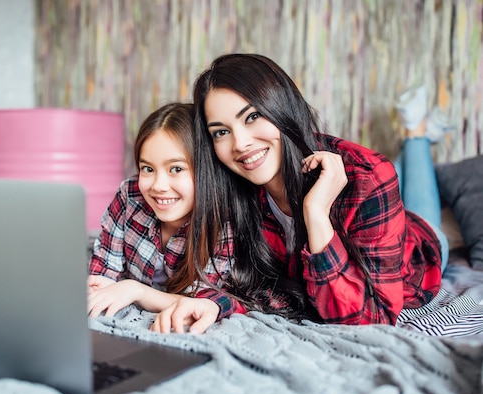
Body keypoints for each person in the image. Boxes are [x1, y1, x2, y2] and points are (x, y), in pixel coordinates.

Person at [156, 53, 445, 333]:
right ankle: (417, 134)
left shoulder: (368, 176)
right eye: (221, 132)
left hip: (416, 249)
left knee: (426, 214)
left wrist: (316, 214)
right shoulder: (234, 185)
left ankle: (416, 133)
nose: (241, 143)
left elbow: (374, 318)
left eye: (253, 116)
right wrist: (215, 304)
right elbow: (255, 287)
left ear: (281, 107)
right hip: (374, 217)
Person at [87, 102, 235, 334]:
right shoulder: (130, 194)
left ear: (205, 170)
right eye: (148, 169)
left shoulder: (224, 220)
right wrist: (99, 284)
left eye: (176, 169)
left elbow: (202, 301)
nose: (158, 186)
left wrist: (136, 291)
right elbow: (106, 268)